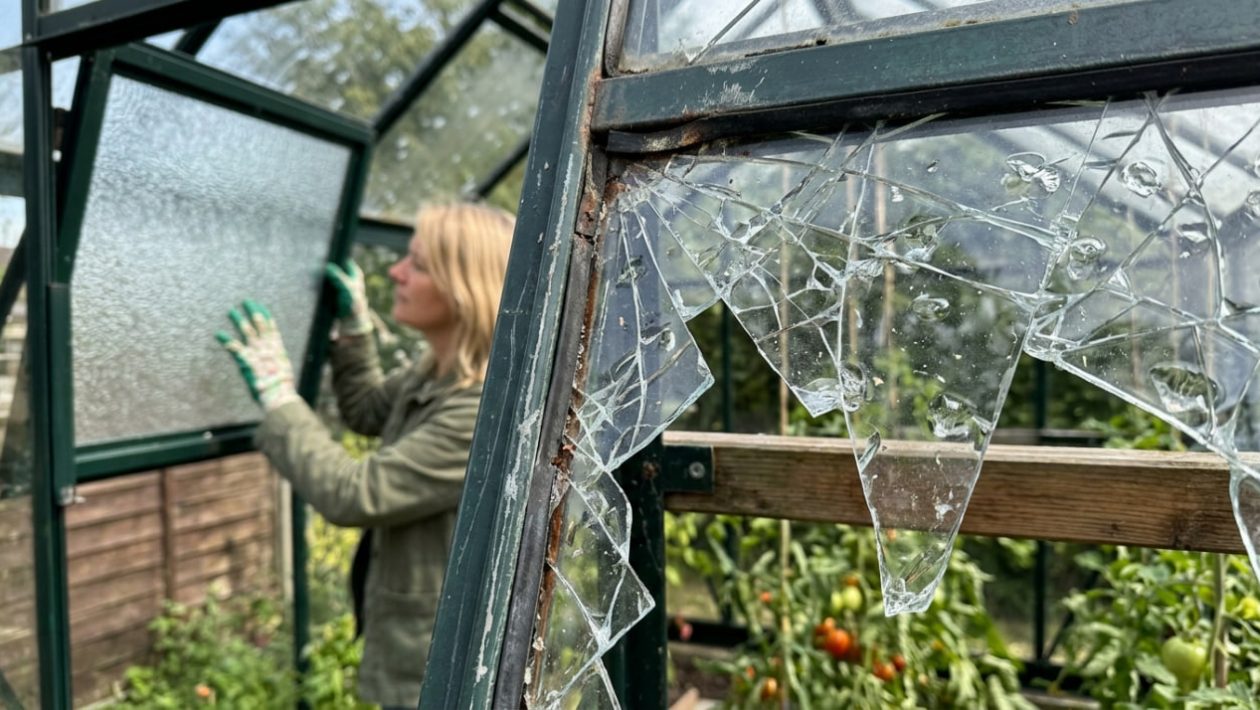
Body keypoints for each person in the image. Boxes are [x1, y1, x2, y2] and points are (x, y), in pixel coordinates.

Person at [215, 202, 515, 708]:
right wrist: (355, 332)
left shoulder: (480, 410)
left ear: (463, 291)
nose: (396, 272)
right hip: (418, 648)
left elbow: (355, 495)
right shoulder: (436, 372)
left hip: (444, 663)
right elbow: (367, 409)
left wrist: (279, 397)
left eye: (417, 265)